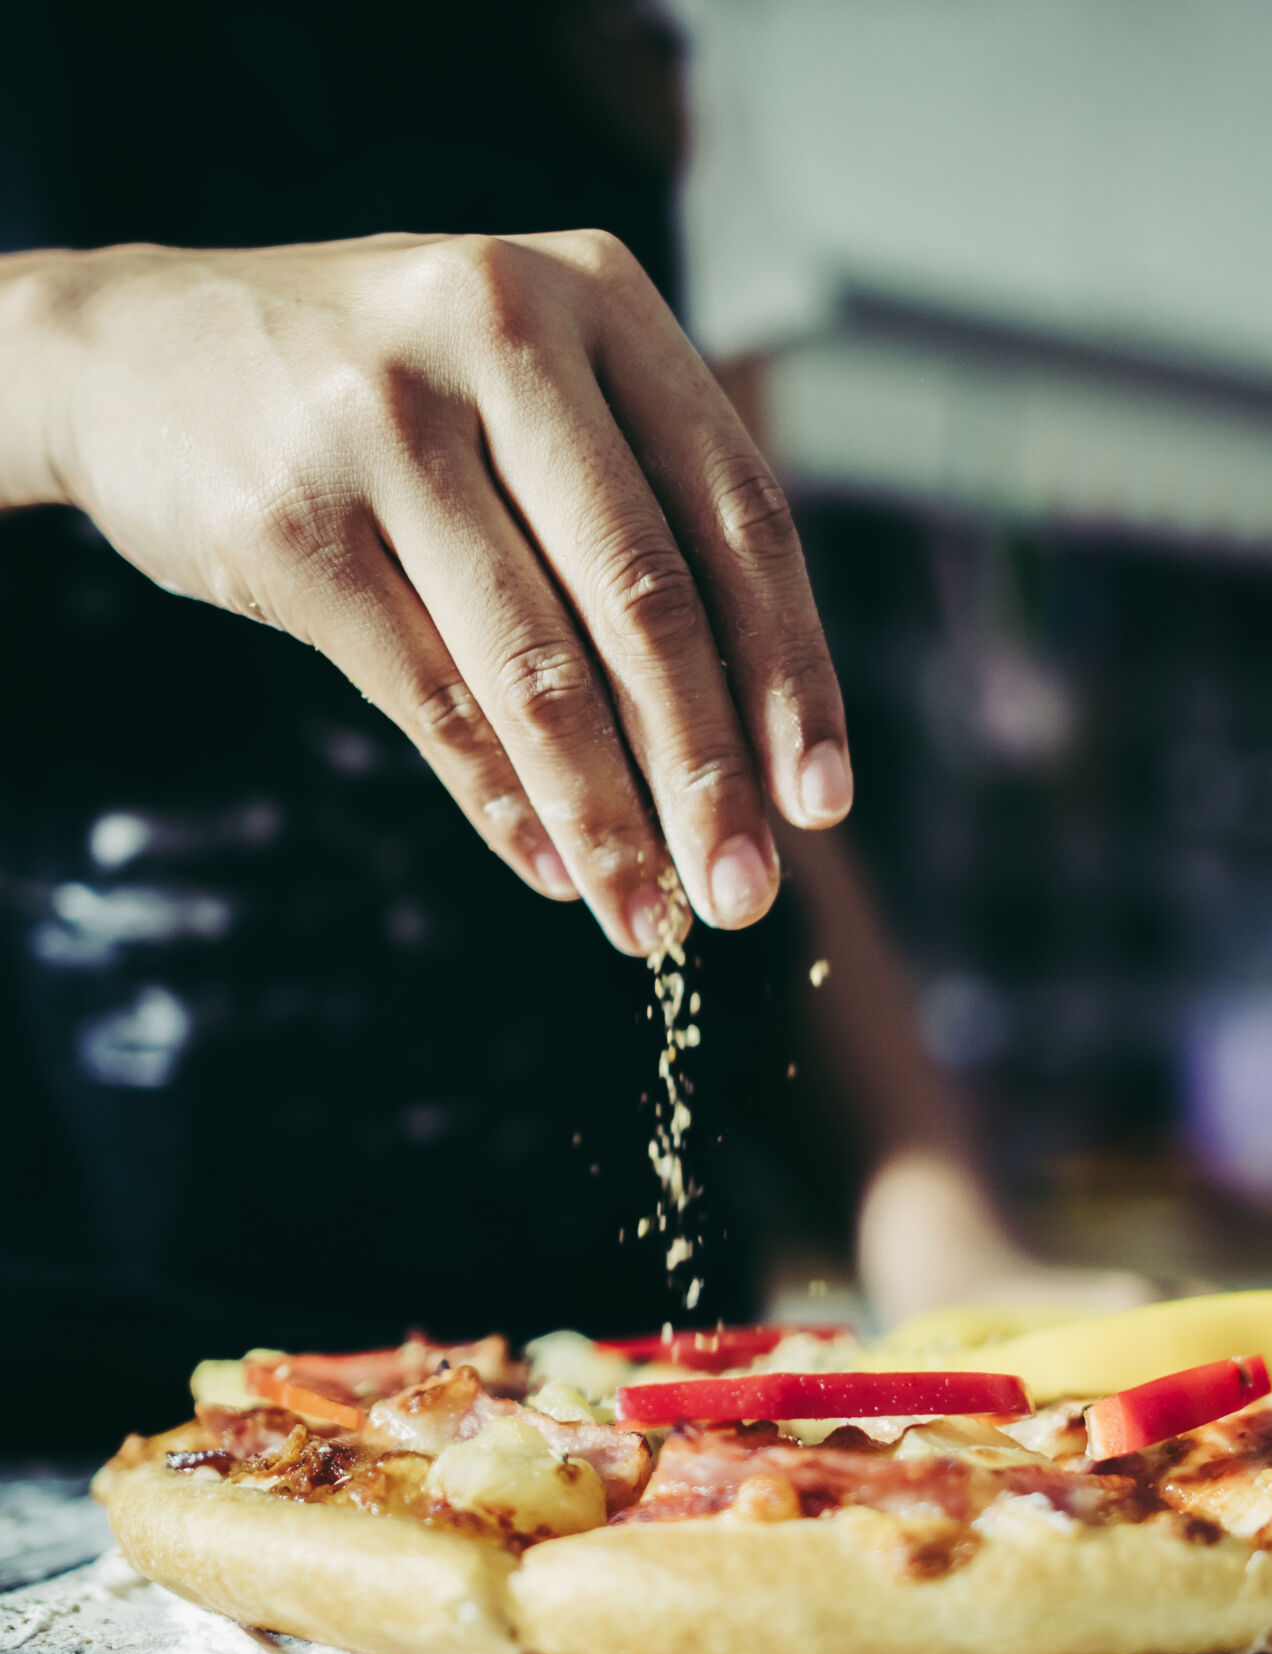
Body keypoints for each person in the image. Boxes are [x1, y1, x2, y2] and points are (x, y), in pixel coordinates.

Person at [0, 4, 1141, 1449]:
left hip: (618, 1383)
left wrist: (937, 1227)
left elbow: (720, 749)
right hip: (52, 1352)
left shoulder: (631, 66)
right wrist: (52, 350)